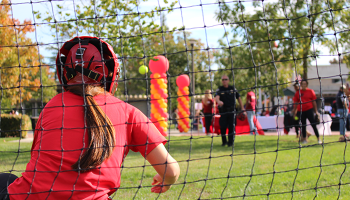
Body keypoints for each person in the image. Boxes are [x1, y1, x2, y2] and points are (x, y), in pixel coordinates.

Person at [1, 36, 180, 200]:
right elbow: (171, 170)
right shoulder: (128, 112)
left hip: (29, 197)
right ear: (110, 74)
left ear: (64, 72)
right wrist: (167, 179)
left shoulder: (52, 105)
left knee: (6, 179)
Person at [215, 75, 245, 147]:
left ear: (228, 80)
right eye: (223, 80)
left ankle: (230, 142)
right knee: (223, 127)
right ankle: (224, 141)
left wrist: (242, 109)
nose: (224, 81)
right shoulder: (220, 89)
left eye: (226, 79)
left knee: (232, 127)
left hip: (232, 111)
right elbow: (217, 97)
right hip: (224, 111)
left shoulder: (233, 88)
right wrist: (218, 102)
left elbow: (239, 98)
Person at [293, 79, 321, 144]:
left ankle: (318, 138)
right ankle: (305, 139)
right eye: (302, 84)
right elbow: (296, 103)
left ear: (306, 85)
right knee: (303, 125)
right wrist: (295, 112)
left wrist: (316, 111)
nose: (303, 85)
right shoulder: (298, 93)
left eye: (304, 84)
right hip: (301, 111)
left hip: (309, 110)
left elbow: (314, 102)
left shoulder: (311, 91)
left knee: (313, 124)